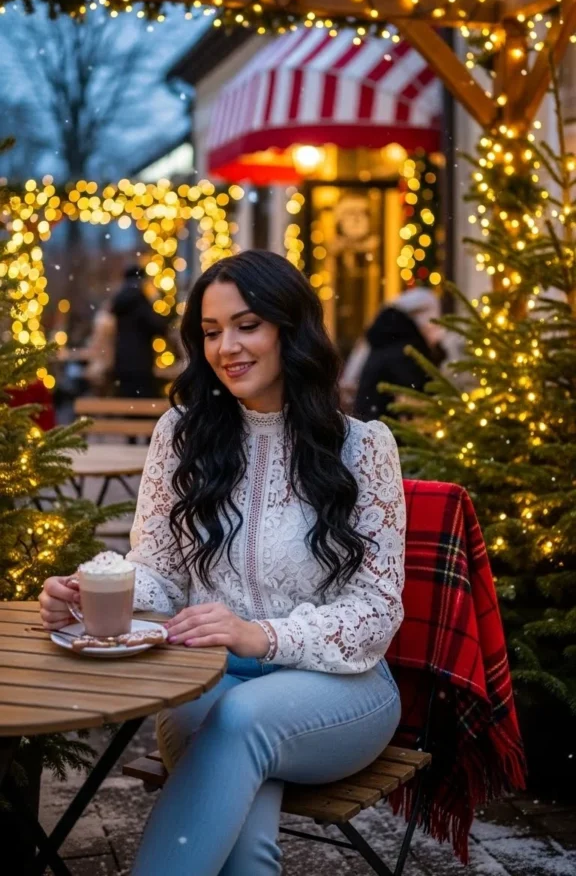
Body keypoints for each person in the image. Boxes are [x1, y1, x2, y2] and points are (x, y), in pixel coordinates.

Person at [38, 249, 406, 876]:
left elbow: (376, 612)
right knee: (245, 835)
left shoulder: (361, 447)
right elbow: (158, 573)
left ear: (290, 330)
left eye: (247, 325)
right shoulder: (184, 436)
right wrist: (95, 592)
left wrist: (261, 635)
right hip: (203, 683)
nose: (226, 346)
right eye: (210, 332)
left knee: (242, 720)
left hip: (342, 689)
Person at [353, 287, 446, 421]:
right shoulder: (405, 349)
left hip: (374, 423)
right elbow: (422, 391)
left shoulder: (389, 338)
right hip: (388, 429)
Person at [111, 264, 168, 398]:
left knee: (126, 402)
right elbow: (157, 326)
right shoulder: (139, 299)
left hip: (121, 362)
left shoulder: (120, 300)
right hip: (140, 363)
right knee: (143, 402)